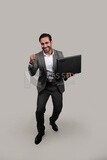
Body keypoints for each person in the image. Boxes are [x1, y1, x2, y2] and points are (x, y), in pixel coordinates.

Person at [28, 33, 73, 144]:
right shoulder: (37, 56)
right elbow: (32, 73)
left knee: (58, 108)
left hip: (57, 86)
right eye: (42, 44)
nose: (44, 45)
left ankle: (52, 121)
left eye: (47, 43)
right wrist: (31, 63)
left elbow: (62, 72)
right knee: (39, 111)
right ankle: (40, 132)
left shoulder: (59, 54)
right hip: (44, 87)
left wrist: (67, 75)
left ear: (51, 42)